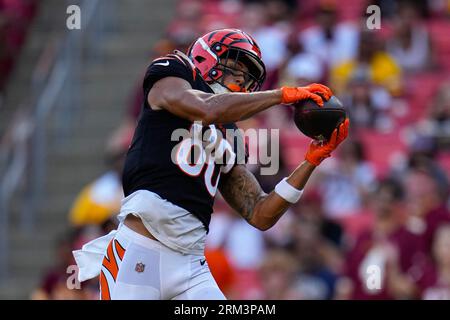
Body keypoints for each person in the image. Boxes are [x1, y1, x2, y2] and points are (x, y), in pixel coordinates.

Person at [73, 28, 349, 300]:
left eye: (247, 77)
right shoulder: (173, 70)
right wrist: (281, 95)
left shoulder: (230, 133)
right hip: (140, 251)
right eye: (235, 67)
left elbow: (260, 213)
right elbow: (206, 108)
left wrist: (311, 160)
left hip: (190, 266)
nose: (241, 80)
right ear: (206, 57)